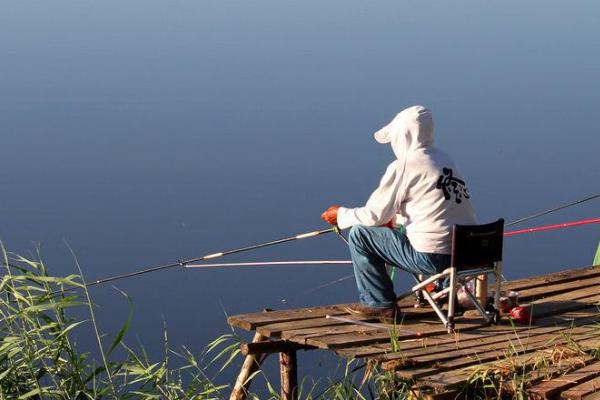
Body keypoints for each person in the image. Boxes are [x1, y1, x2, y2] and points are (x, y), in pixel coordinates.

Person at [321, 105, 476, 321]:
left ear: (403, 136)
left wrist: (341, 215)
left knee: (359, 235)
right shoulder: (444, 160)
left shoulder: (405, 165)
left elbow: (375, 215)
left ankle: (379, 303)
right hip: (467, 255)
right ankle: (449, 292)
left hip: (433, 259)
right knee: (422, 235)